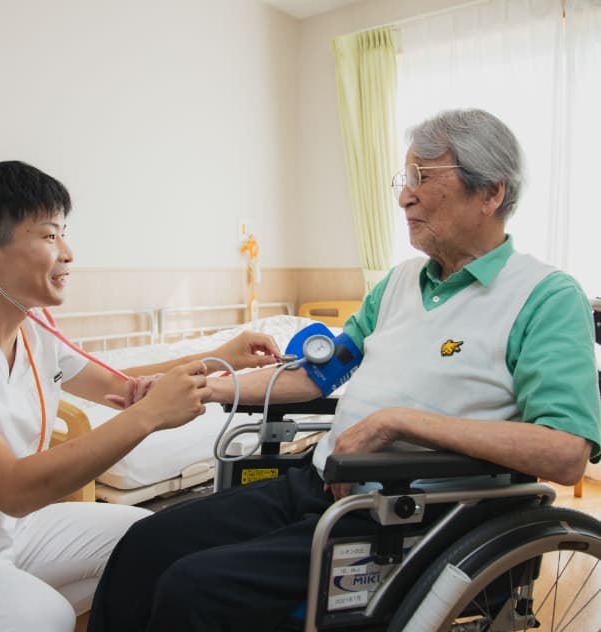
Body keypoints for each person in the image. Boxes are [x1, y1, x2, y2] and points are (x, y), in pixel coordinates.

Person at [87, 108, 601, 631]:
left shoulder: (545, 297)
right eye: (405, 179)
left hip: (413, 519)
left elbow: (565, 452)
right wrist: (204, 387)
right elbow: (317, 375)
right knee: (144, 545)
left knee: (194, 588)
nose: (404, 197)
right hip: (323, 484)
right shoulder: (398, 284)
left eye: (423, 177)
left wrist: (398, 422)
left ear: (490, 192)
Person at [0, 160, 281, 632]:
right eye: (49, 236)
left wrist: (221, 356)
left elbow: (120, 385)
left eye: (64, 234)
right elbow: (13, 489)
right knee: (44, 617)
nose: (69, 253)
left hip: (13, 533)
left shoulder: (34, 333)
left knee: (158, 542)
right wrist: (150, 416)